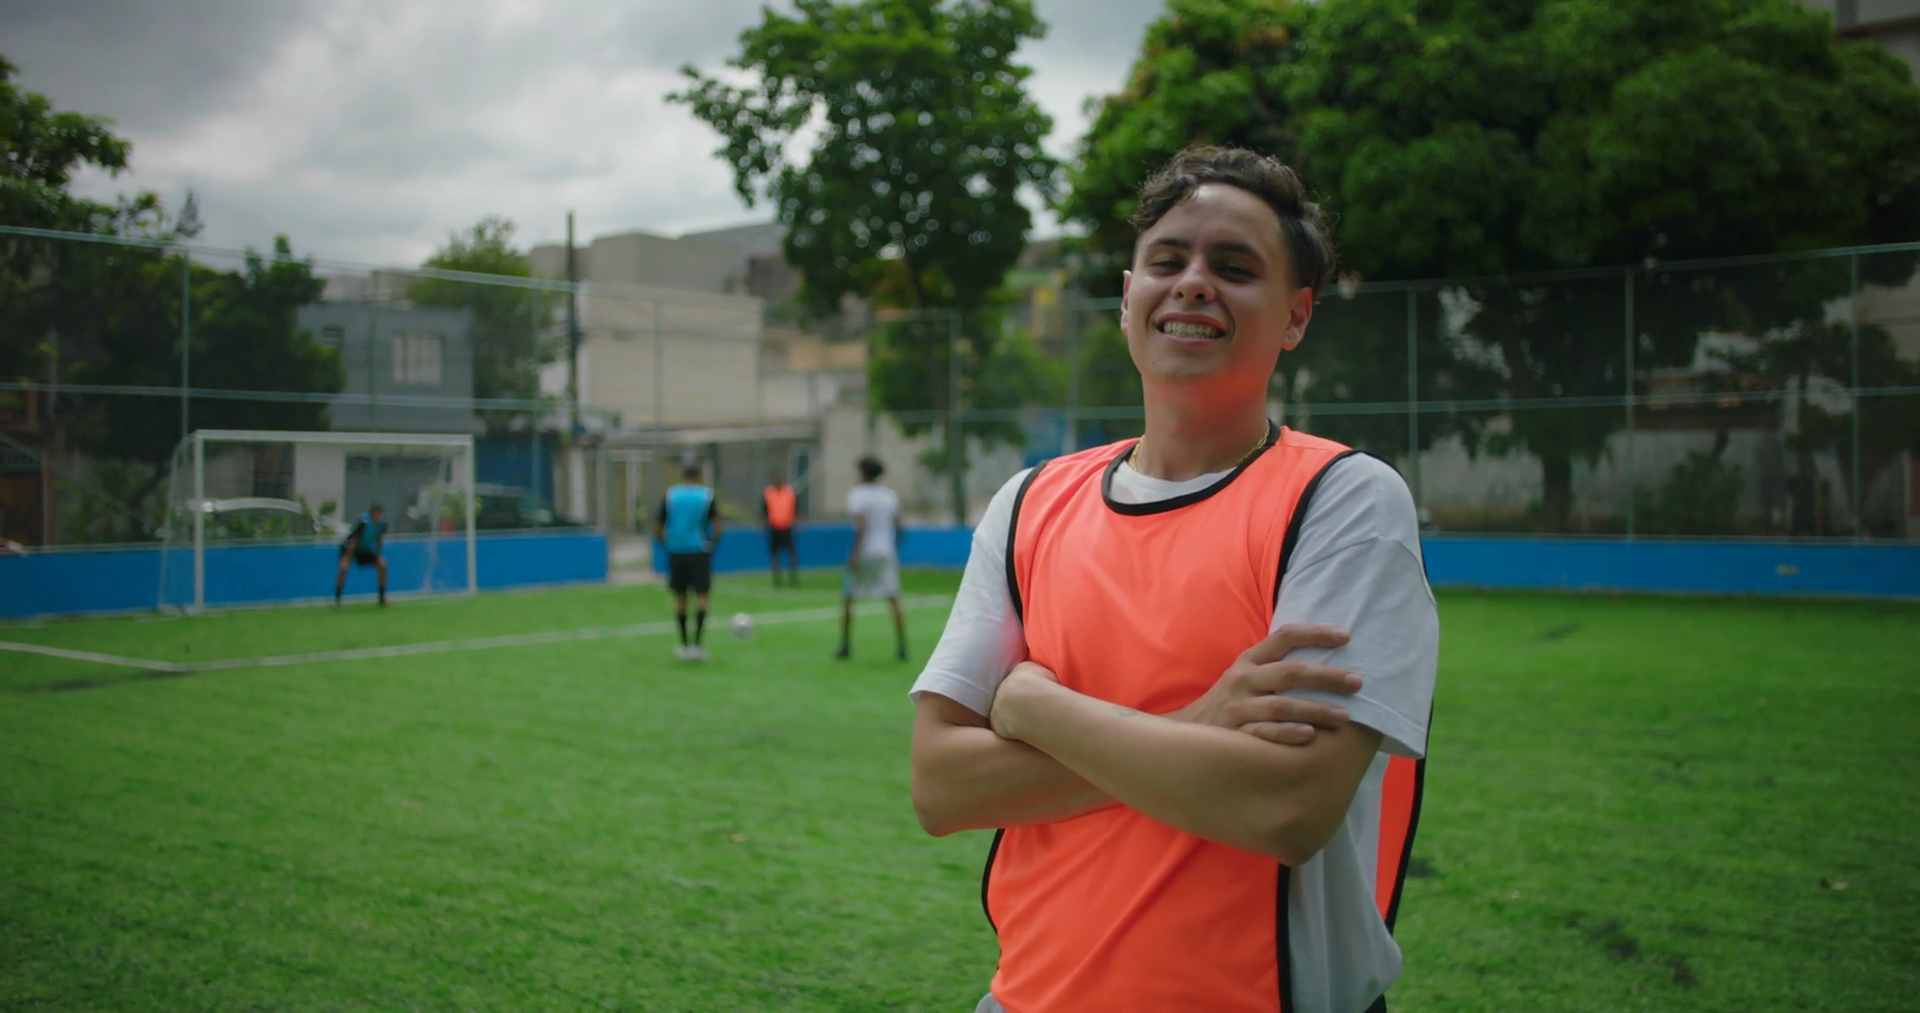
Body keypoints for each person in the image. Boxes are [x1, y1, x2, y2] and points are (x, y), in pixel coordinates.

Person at [908, 146, 1438, 1013]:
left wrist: (1034, 707)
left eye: (1235, 267)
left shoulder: (1341, 500)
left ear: (1296, 315)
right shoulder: (1030, 502)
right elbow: (940, 784)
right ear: (1128, 298)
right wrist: (1196, 726)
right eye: (1168, 261)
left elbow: (1284, 807)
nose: (1193, 284)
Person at [837, 455, 907, 661]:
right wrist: (892, 547)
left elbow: (861, 526)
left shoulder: (857, 495)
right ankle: (902, 645)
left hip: (865, 552)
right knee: (893, 598)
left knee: (848, 597)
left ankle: (845, 645)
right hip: (885, 552)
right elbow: (900, 526)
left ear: (863, 473)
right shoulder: (889, 496)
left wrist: (855, 554)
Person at [654, 461, 721, 661]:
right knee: (702, 596)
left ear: (682, 476)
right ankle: (697, 646)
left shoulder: (671, 495)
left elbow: (658, 525)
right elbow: (718, 524)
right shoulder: (706, 495)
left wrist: (667, 543)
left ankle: (683, 646)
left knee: (680, 597)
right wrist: (711, 544)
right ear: (699, 476)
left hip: (676, 551)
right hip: (699, 550)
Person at [335, 504, 389, 606]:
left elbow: (379, 538)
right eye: (378, 514)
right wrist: (347, 558)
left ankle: (382, 598)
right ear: (372, 514)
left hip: (364, 549)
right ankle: (337, 600)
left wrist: (378, 555)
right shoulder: (364, 522)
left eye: (381, 514)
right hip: (349, 548)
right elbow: (354, 540)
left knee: (382, 565)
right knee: (344, 568)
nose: (379, 516)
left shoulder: (382, 523)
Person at [763, 471, 801, 587]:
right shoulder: (769, 493)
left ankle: (793, 577)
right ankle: (777, 579)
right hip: (774, 527)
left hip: (786, 527)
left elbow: (795, 508)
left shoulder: (789, 492)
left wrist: (797, 524)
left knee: (792, 553)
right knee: (775, 554)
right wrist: (762, 524)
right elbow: (764, 509)